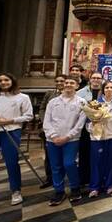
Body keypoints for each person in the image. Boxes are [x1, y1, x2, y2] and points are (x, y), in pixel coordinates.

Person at [0, 73, 33, 211]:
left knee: (11, 161)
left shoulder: (23, 97)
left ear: (12, 81)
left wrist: (9, 121)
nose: (3, 82)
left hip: (11, 130)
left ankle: (15, 191)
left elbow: (28, 116)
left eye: (6, 80)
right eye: (0, 80)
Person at [43, 75, 87, 205]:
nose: (68, 85)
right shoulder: (53, 102)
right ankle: (59, 191)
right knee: (56, 166)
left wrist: (67, 137)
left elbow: (80, 124)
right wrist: (53, 136)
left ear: (77, 86)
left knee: (69, 163)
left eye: (71, 83)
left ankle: (75, 188)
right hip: (53, 139)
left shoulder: (82, 102)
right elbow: (47, 121)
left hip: (71, 139)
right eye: (66, 82)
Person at [87, 81, 112, 197]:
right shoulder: (94, 104)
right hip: (97, 138)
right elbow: (88, 121)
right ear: (103, 89)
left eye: (111, 87)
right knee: (96, 162)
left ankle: (110, 184)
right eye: (107, 87)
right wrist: (93, 126)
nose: (109, 89)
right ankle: (95, 187)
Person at [38, 74, 66, 189]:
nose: (59, 83)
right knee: (50, 156)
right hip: (49, 129)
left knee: (66, 157)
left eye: (62, 81)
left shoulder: (72, 94)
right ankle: (50, 178)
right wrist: (46, 121)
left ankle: (63, 177)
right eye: (57, 81)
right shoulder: (50, 94)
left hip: (65, 129)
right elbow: (42, 108)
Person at [76, 71, 103, 187]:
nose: (96, 80)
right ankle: (84, 177)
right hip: (85, 127)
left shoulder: (105, 91)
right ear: (90, 79)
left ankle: (98, 176)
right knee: (84, 152)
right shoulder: (81, 93)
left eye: (98, 78)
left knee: (99, 153)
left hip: (101, 126)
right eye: (94, 78)